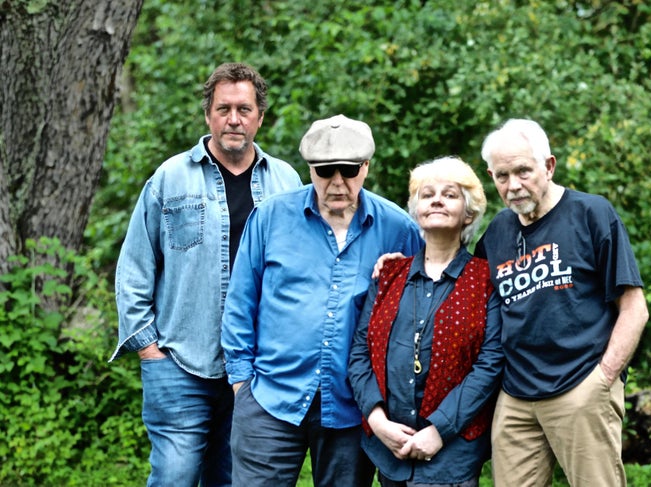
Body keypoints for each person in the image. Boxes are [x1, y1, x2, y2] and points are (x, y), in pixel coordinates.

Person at [110, 62, 302, 487]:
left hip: (256, 368)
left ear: (260, 117)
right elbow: (135, 267)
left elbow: (301, 269)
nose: (234, 119)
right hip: (180, 361)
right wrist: (148, 348)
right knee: (174, 476)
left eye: (244, 109)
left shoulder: (286, 181)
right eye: (223, 109)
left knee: (235, 478)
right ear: (208, 115)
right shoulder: (170, 177)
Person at [220, 114, 424, 486]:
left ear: (366, 166)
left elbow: (420, 311)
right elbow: (240, 304)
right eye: (326, 170)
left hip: (352, 406)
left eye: (349, 170)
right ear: (310, 168)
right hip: (269, 398)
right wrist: (242, 384)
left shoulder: (399, 229)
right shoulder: (270, 218)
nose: (337, 182)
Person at [474, 119, 650, 487]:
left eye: (523, 171)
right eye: (502, 176)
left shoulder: (590, 214)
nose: (513, 185)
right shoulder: (496, 233)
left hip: (581, 385)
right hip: (516, 396)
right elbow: (462, 293)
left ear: (549, 166)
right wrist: (400, 265)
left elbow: (634, 307)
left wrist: (603, 378)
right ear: (492, 177)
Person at [349, 156, 504, 487]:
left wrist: (439, 429)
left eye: (449, 194)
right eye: (427, 194)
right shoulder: (388, 275)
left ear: (469, 213)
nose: (436, 200)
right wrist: (377, 421)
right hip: (389, 447)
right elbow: (360, 351)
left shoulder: (486, 280)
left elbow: (490, 365)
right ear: (416, 209)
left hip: (452, 453)